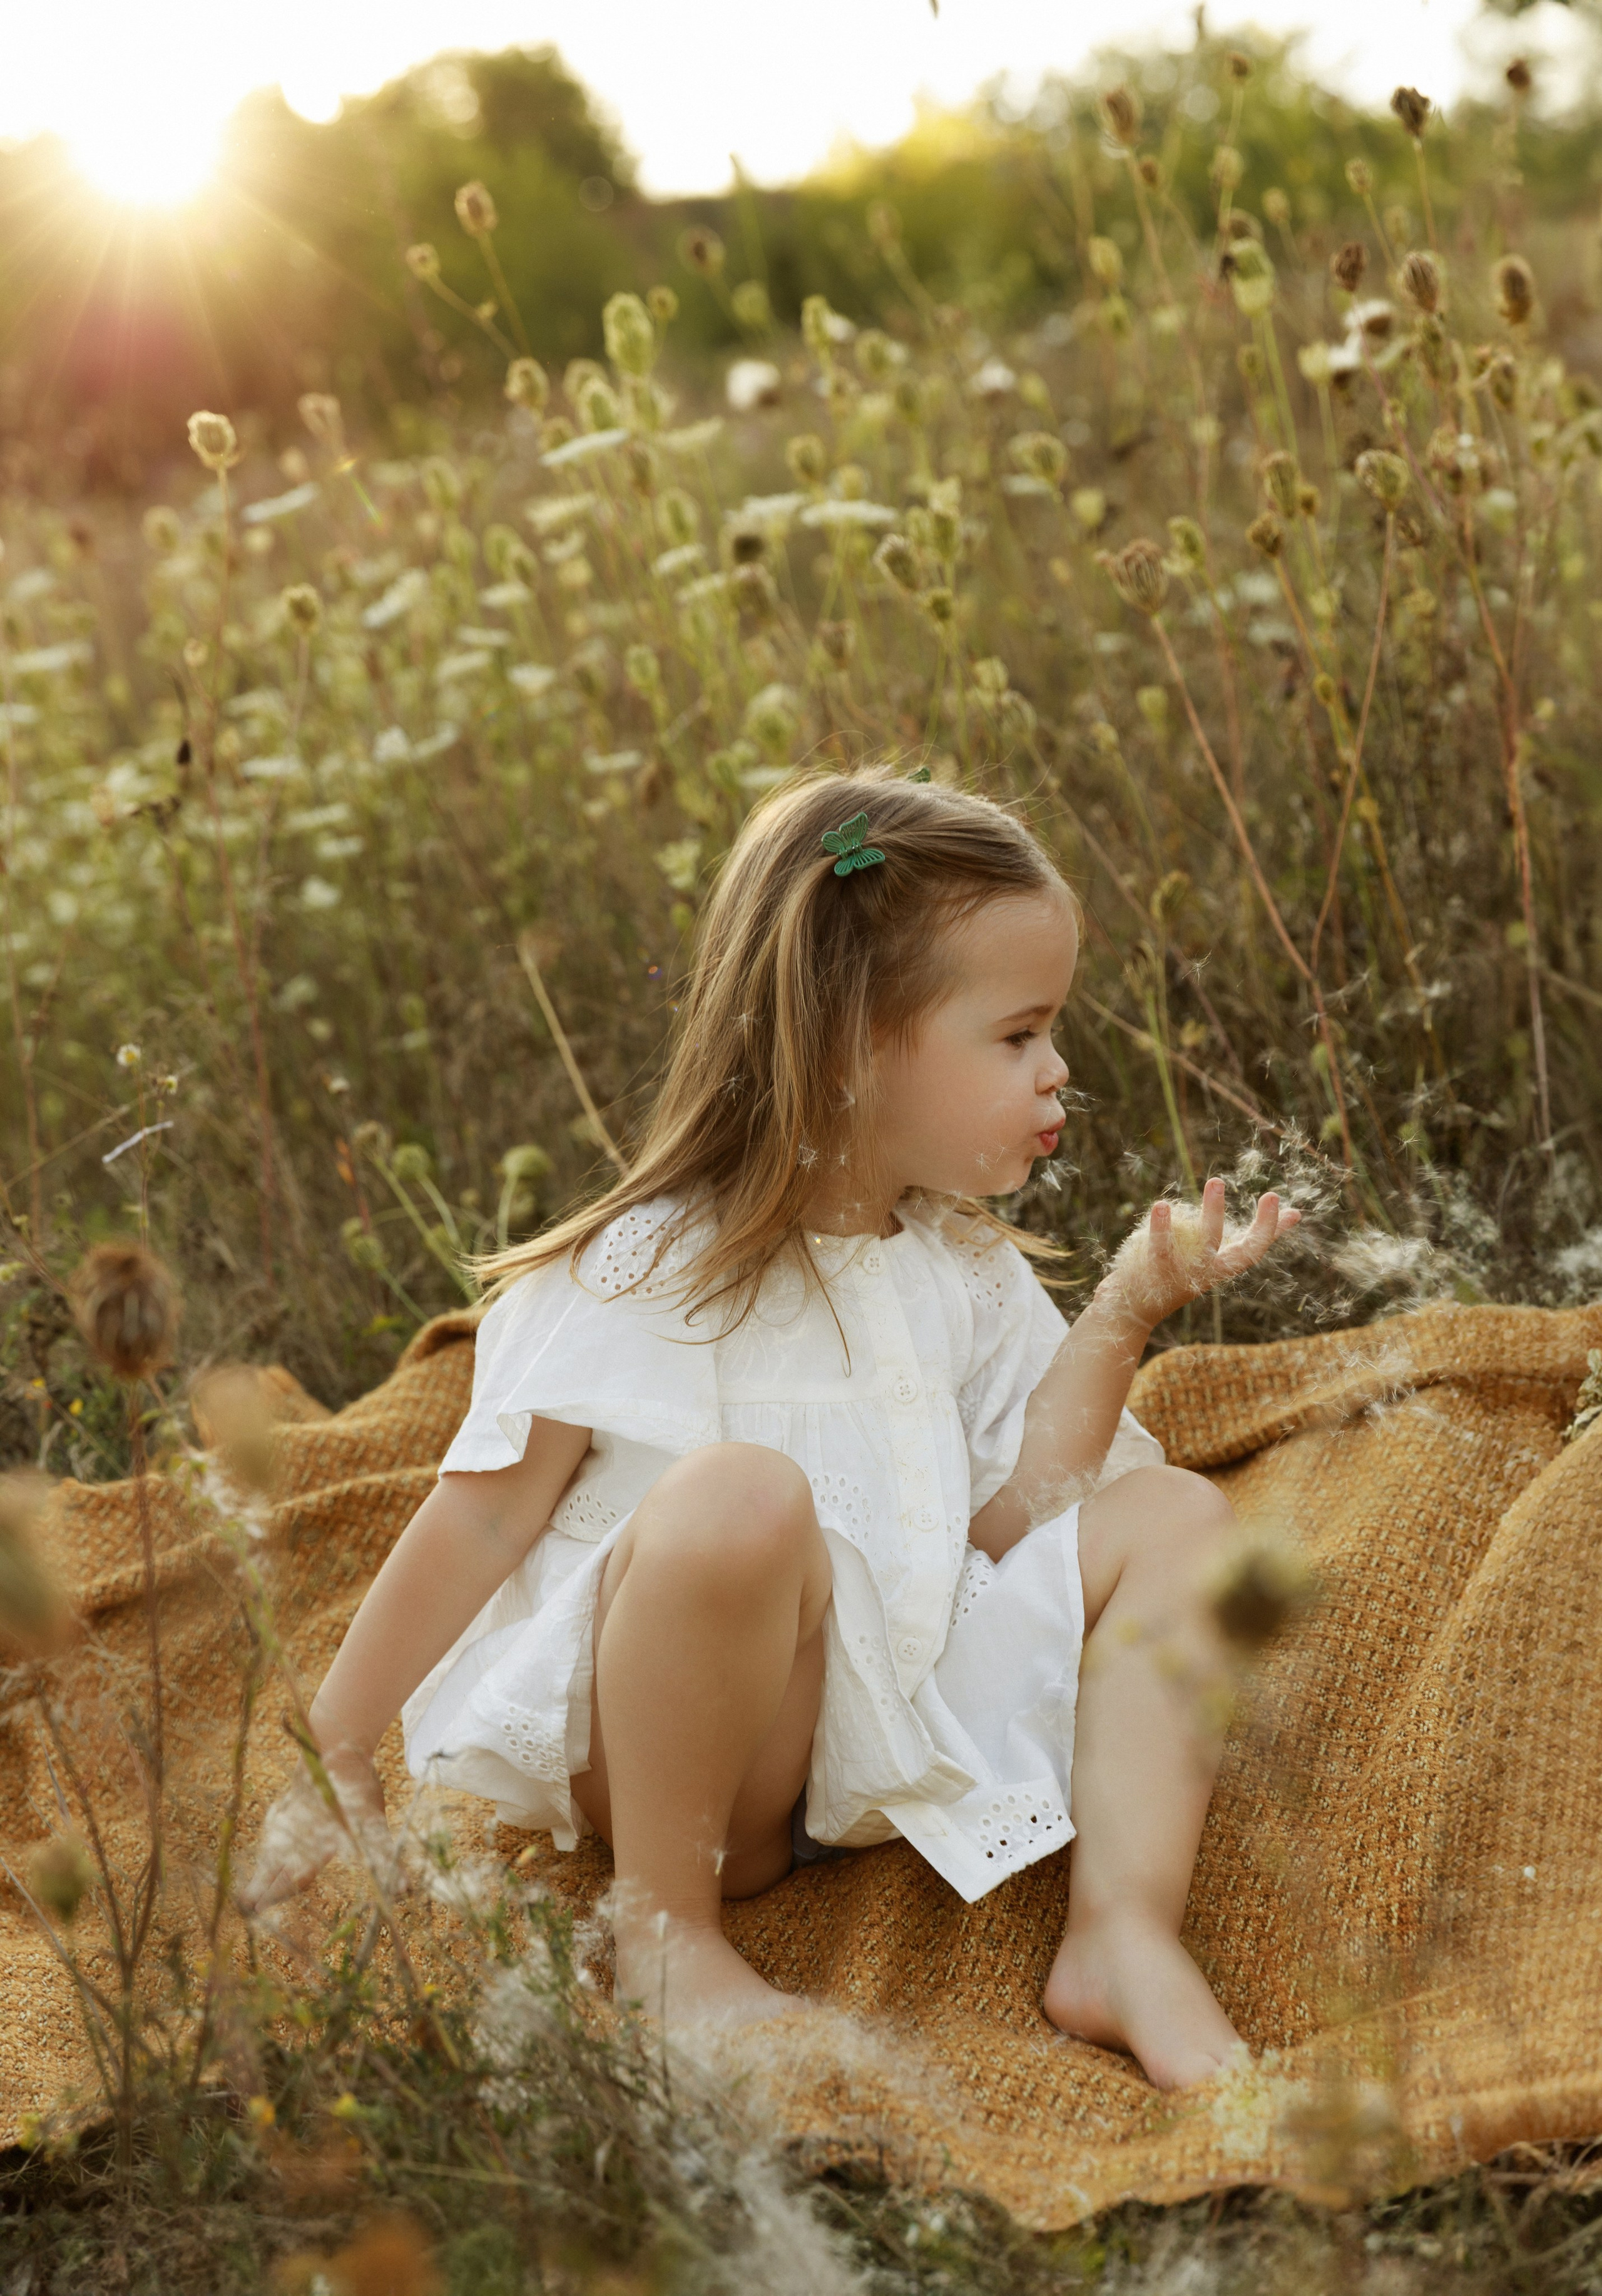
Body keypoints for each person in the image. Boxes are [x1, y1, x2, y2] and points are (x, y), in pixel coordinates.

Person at [245, 767, 1299, 2088]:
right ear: (856, 1042)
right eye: (1018, 1033)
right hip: (695, 1767)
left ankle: (1120, 1931)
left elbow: (1013, 1517)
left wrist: (1127, 1311)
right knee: (738, 1495)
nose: (1057, 1068)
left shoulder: (959, 1271)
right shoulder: (644, 1269)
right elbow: (487, 1507)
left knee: (1184, 1519)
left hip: (876, 1740)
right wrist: (335, 1758)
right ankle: (666, 1934)